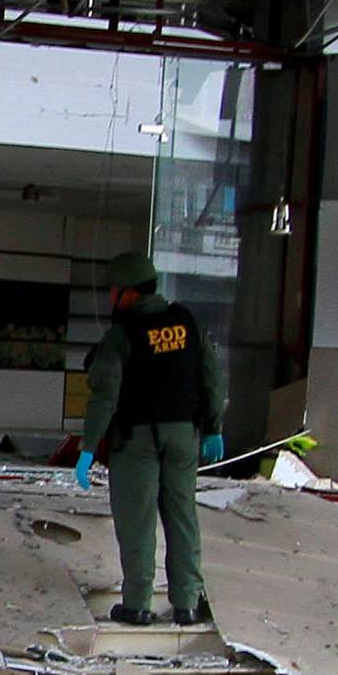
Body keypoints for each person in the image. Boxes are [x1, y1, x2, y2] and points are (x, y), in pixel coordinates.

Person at [73, 249, 224, 626]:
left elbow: (105, 395)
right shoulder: (187, 323)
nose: (110, 297)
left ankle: (138, 604)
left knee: (137, 521)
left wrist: (88, 448)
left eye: (112, 290)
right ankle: (187, 604)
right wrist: (213, 428)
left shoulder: (122, 335)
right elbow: (211, 378)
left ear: (127, 292)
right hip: (183, 437)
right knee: (182, 517)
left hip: (136, 440)